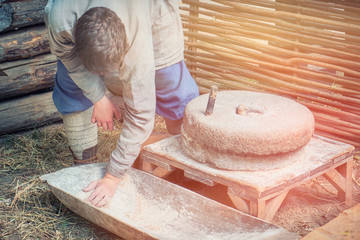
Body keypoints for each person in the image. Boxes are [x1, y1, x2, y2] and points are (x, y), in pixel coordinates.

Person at [44, 0, 199, 207]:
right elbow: (67, 56)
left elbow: (141, 114)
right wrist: (98, 97)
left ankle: (183, 169)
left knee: (170, 84)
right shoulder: (60, 18)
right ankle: (81, 167)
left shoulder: (137, 42)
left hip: (148, 11)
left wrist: (112, 176)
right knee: (70, 80)